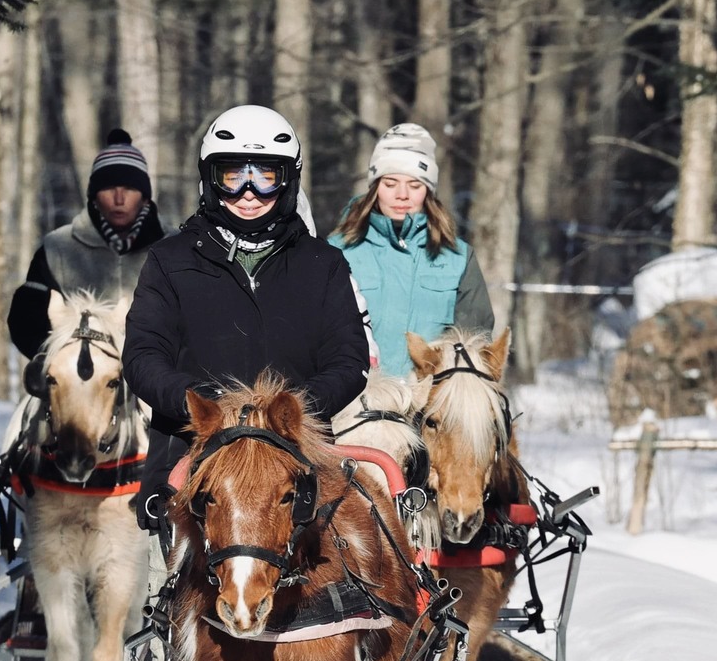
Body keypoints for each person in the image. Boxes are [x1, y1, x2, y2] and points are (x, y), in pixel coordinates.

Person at [124, 105, 371, 528]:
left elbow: (349, 361)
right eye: (233, 176)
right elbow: (143, 356)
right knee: (175, 591)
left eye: (265, 176)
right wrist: (208, 408)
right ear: (210, 180)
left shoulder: (322, 263)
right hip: (192, 464)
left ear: (288, 180)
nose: (249, 192)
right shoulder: (170, 261)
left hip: (296, 465)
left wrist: (287, 413)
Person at [327, 123, 493, 370]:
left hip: (430, 402)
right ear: (375, 187)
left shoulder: (458, 258)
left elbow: (473, 343)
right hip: (360, 401)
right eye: (390, 183)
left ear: (428, 190)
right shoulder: (337, 251)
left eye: (415, 185)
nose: (402, 195)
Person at [7, 129, 165, 358]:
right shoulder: (57, 249)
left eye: (130, 188)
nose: (119, 199)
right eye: (109, 188)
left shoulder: (174, 248)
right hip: (75, 380)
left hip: (156, 383)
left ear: (145, 196)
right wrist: (55, 363)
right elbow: (26, 321)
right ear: (93, 195)